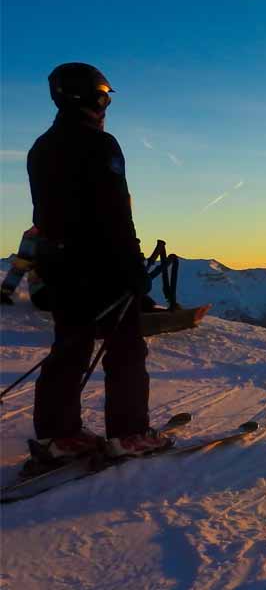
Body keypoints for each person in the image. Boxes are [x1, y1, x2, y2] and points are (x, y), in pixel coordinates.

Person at [26, 63, 172, 460]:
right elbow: (115, 213)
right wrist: (134, 270)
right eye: (104, 97)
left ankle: (58, 435)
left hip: (58, 265)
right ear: (89, 98)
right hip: (102, 265)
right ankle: (129, 433)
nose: (106, 106)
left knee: (69, 347)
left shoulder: (42, 147)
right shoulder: (99, 145)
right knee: (125, 348)